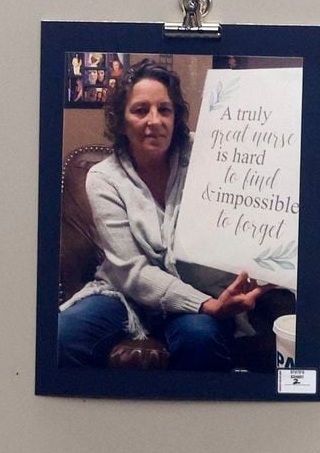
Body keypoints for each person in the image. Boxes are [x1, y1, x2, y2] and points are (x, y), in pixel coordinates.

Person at [58, 60, 269, 371]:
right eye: (140, 110)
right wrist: (204, 305)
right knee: (62, 335)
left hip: (200, 291)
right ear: (121, 120)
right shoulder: (103, 177)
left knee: (200, 339)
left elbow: (257, 202)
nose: (154, 120)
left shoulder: (212, 152)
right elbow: (132, 272)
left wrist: (268, 274)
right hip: (125, 295)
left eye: (164, 110)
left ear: (176, 117)